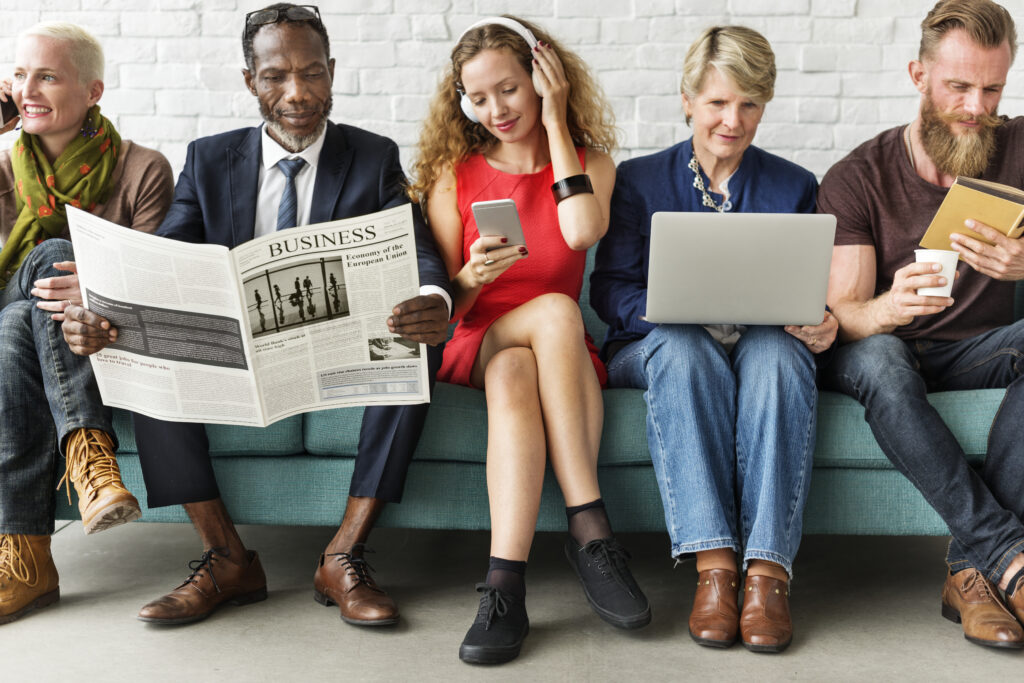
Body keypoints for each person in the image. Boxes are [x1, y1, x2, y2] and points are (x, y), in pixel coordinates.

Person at [61, 3, 451, 627]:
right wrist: (99, 312)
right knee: (146, 341)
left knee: (416, 342)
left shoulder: (373, 156)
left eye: (313, 73)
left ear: (332, 73)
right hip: (236, 353)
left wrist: (433, 299)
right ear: (251, 81)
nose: (297, 93)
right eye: (276, 76)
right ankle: (227, 560)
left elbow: (419, 246)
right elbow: (165, 258)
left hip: (336, 350)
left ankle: (343, 555)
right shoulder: (210, 159)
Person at [410, 15, 648, 665]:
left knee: (527, 362)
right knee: (554, 313)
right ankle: (590, 527)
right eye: (478, 97)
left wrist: (557, 120)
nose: (495, 109)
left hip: (554, 353)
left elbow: (578, 234)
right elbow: (443, 308)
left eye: (510, 89)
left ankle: (503, 583)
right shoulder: (452, 175)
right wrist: (469, 275)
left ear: (543, 77)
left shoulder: (593, 164)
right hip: (477, 334)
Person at [591, 26, 837, 654]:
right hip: (659, 347)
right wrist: (675, 312)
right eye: (718, 103)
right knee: (686, 347)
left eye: (749, 104)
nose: (733, 120)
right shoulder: (640, 180)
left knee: (782, 355)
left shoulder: (793, 185)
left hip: (759, 341)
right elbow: (610, 289)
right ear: (687, 100)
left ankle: (767, 575)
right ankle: (714, 567)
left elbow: (808, 285)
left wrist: (821, 318)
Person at [819, 0, 1024, 650]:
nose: (975, 105)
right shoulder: (859, 177)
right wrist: (889, 308)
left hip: (976, 351)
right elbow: (842, 317)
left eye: (992, 88)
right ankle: (1004, 551)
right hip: (884, 350)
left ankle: (969, 569)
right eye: (958, 86)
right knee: (880, 358)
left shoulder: (1018, 146)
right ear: (917, 75)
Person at [0, 22, 173, 625]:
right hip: (19, 303)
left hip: (101, 334)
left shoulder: (144, 168)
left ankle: (26, 560)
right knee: (49, 260)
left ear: (93, 91)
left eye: (47, 75)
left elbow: (155, 281)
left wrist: (100, 289)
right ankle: (91, 460)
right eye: (19, 74)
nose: (28, 88)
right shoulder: (2, 167)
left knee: (18, 327)